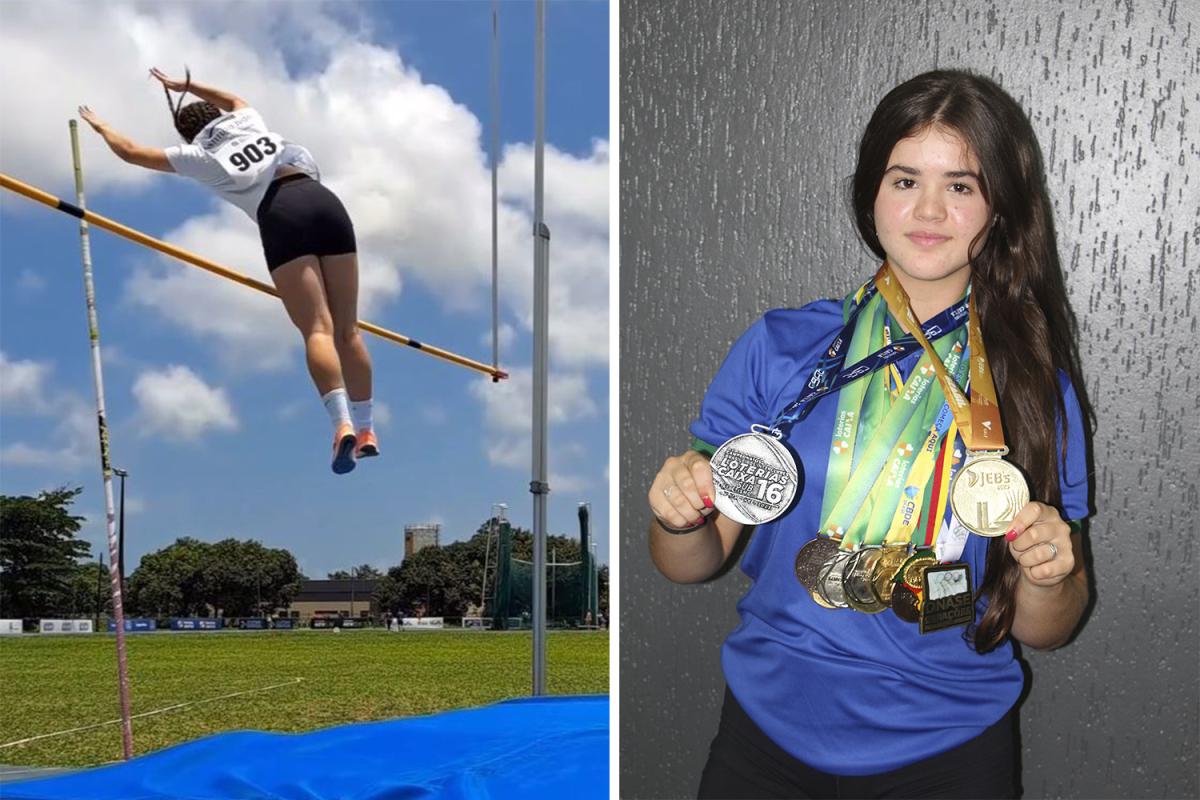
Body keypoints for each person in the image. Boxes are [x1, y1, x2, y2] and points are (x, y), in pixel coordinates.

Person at [646, 69, 1092, 799]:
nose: (928, 209)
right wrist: (677, 513)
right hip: (765, 738)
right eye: (904, 178)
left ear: (1000, 209)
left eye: (961, 186)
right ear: (871, 193)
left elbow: (1048, 629)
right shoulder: (780, 346)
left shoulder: (1035, 386)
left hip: (950, 752)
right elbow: (690, 563)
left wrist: (1053, 571)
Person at [78, 68, 379, 474]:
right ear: (215, 114)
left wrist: (102, 126)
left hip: (281, 214)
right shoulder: (245, 119)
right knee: (349, 331)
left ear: (189, 135)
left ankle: (341, 423)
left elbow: (130, 151)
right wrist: (185, 86)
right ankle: (366, 430)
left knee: (317, 330)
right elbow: (234, 97)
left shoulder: (198, 155)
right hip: (323, 201)